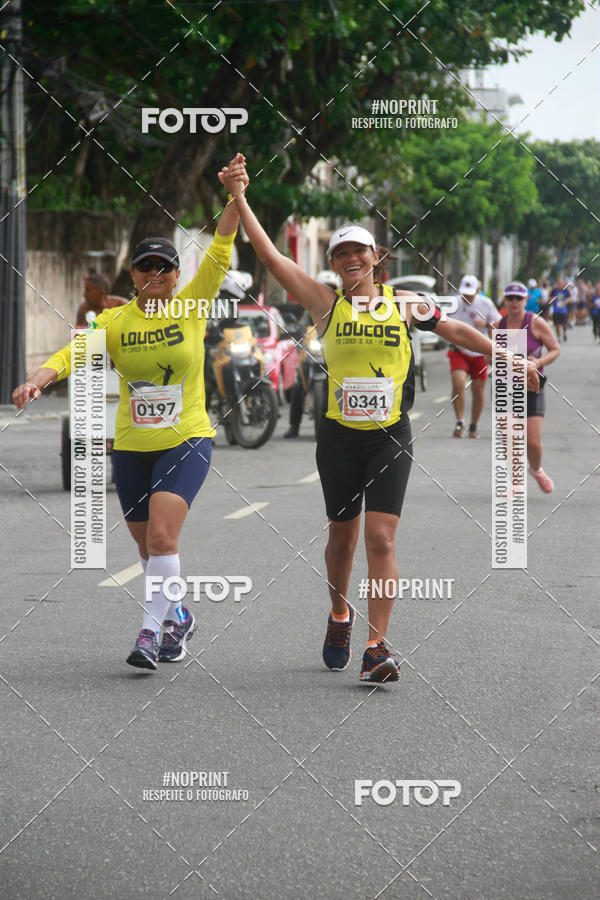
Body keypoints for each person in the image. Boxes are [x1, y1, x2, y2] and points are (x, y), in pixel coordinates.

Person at [219, 154, 539, 683]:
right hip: (339, 439)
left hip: (391, 435)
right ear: (334, 262)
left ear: (376, 258)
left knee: (383, 540)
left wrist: (510, 357)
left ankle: (377, 645)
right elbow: (272, 257)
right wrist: (238, 195)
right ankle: (340, 614)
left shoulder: (404, 303)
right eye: (340, 252)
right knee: (341, 541)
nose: (349, 259)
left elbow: (458, 333)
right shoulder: (326, 304)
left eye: (358, 252)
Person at [12, 158, 244, 671]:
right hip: (133, 447)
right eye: (145, 266)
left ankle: (149, 631)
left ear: (177, 275)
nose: (155, 274)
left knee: (163, 536)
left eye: (164, 266)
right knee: (147, 548)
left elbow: (222, 246)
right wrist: (37, 380)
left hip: (186, 438)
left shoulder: (192, 305)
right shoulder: (113, 320)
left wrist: (233, 194)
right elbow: (71, 354)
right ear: (133, 275)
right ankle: (178, 615)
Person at [496, 281, 560, 493]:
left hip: (533, 386)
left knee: (532, 441)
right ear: (505, 301)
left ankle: (536, 469)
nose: (514, 302)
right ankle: (515, 481)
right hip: (506, 388)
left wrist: (536, 363)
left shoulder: (536, 323)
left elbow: (555, 349)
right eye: (510, 298)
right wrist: (493, 359)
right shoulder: (498, 326)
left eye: (518, 298)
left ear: (526, 300)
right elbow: (490, 355)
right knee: (509, 436)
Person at [446, 274, 501, 438]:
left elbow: (496, 324)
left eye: (471, 293)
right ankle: (460, 420)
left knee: (478, 389)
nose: (467, 296)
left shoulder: (485, 303)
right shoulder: (453, 303)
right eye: (465, 293)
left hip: (479, 352)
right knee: (458, 382)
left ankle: (473, 424)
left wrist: (491, 347)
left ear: (477, 289)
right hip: (459, 350)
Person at [550, 277, 570, 343]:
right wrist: (553, 299)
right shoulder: (554, 290)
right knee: (557, 325)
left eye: (561, 283)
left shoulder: (566, 290)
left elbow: (570, 298)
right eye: (558, 283)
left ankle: (565, 333)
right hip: (556, 310)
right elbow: (549, 298)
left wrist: (565, 301)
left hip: (563, 310)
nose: (560, 285)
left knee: (564, 324)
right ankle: (559, 337)